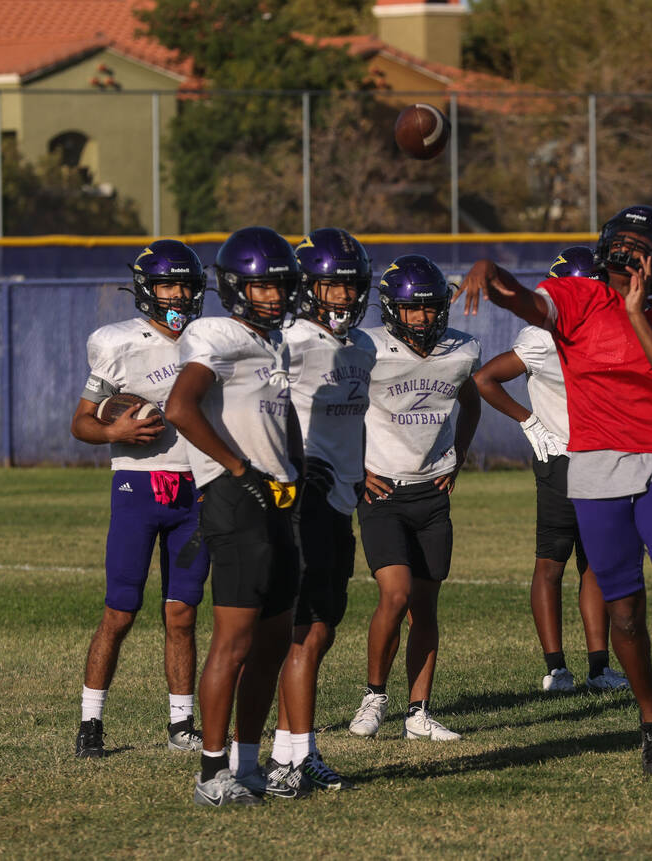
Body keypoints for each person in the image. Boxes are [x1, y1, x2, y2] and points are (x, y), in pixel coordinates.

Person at [459, 205, 652, 780]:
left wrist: (640, 314)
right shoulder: (576, 299)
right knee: (625, 614)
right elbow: (526, 302)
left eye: (641, 248)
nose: (629, 257)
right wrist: (492, 272)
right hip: (593, 468)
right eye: (623, 245)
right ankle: (651, 722)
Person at [166, 226, 305, 806]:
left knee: (274, 638)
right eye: (263, 288)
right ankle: (211, 774)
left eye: (280, 287)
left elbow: (280, 417)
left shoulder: (275, 342)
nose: (274, 297)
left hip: (276, 497)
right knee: (235, 640)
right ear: (235, 288)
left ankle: (248, 765)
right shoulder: (214, 331)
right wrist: (240, 470)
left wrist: (294, 471)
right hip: (233, 496)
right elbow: (180, 406)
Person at [70, 239, 210, 758]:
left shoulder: (212, 339)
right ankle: (90, 722)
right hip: (138, 487)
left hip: (195, 488)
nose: (179, 294)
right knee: (120, 611)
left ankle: (181, 724)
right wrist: (114, 432)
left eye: (188, 285)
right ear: (148, 290)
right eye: (170, 284)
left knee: (182, 613)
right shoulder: (116, 342)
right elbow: (81, 421)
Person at [472, 247, 629, 694]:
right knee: (551, 563)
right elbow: (484, 378)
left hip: (603, 459)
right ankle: (556, 668)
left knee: (597, 565)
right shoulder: (542, 339)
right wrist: (530, 420)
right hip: (559, 459)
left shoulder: (613, 333)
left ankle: (599, 667)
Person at [348, 254, 482, 743]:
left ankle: (418, 712)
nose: (423, 318)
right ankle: (374, 696)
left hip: (433, 492)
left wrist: (460, 452)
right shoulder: (367, 349)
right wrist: (357, 468)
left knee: (425, 607)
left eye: (430, 309)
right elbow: (337, 406)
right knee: (396, 594)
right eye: (412, 310)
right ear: (391, 309)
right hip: (382, 490)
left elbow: (471, 398)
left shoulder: (463, 350)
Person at [263, 228, 377, 793]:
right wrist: (291, 464)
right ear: (308, 287)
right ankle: (293, 758)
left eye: (350, 286)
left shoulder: (364, 346)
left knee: (323, 627)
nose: (342, 297)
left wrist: (359, 473)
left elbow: (353, 421)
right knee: (303, 631)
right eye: (330, 286)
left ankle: (288, 751)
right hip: (300, 502)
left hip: (340, 501)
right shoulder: (287, 343)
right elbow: (255, 409)